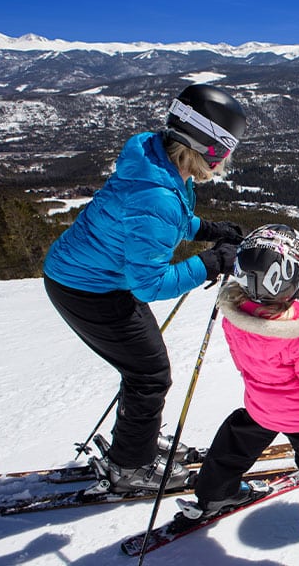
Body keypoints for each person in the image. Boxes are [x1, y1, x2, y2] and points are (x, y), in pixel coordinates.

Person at [43, 83, 248, 492]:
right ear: (205, 143)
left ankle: (135, 441)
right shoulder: (156, 194)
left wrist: (207, 229)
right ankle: (130, 467)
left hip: (94, 278)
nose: (226, 158)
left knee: (146, 367)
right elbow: (151, 284)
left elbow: (154, 223)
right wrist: (212, 261)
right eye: (225, 146)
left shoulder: (155, 160)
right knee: (149, 373)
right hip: (87, 289)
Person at [187, 224, 299, 566]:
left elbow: (248, 361)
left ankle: (213, 494)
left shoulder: (233, 319)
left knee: (232, 444)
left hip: (260, 408)